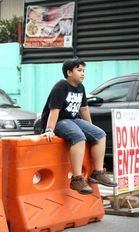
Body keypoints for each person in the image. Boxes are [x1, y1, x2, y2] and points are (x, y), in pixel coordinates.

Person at [39, 57, 117, 194]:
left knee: (100, 134)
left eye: (83, 71)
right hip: (59, 121)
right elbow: (54, 110)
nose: (83, 73)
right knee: (78, 137)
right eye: (79, 70)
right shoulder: (61, 86)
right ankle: (77, 179)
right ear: (69, 73)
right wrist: (49, 129)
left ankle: (98, 173)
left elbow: (84, 109)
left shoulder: (81, 88)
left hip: (73, 120)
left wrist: (91, 129)